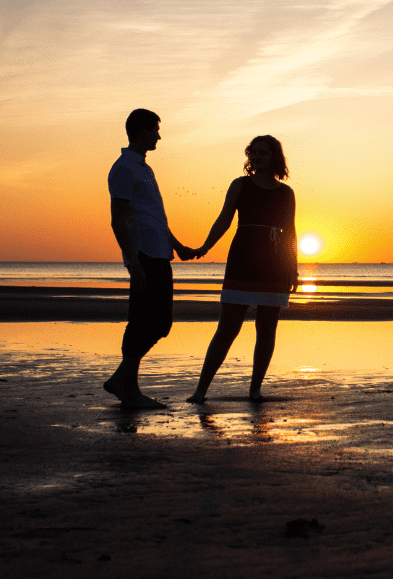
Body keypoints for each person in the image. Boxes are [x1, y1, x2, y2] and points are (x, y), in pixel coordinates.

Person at [186, 135, 298, 403]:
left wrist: (293, 267)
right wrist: (204, 247)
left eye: (264, 152)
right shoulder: (240, 185)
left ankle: (255, 389)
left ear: (274, 157)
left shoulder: (286, 192)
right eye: (254, 152)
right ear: (249, 156)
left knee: (267, 328)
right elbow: (224, 219)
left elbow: (291, 232)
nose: (258, 156)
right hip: (243, 259)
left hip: (274, 263)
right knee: (227, 328)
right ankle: (200, 391)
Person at [105, 108, 197, 409]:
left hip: (160, 253)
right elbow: (118, 220)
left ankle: (123, 379)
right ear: (143, 131)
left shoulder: (145, 168)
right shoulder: (124, 168)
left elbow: (153, 216)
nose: (159, 135)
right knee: (142, 321)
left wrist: (178, 246)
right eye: (156, 130)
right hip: (143, 254)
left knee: (160, 324)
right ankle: (128, 387)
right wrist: (133, 265)